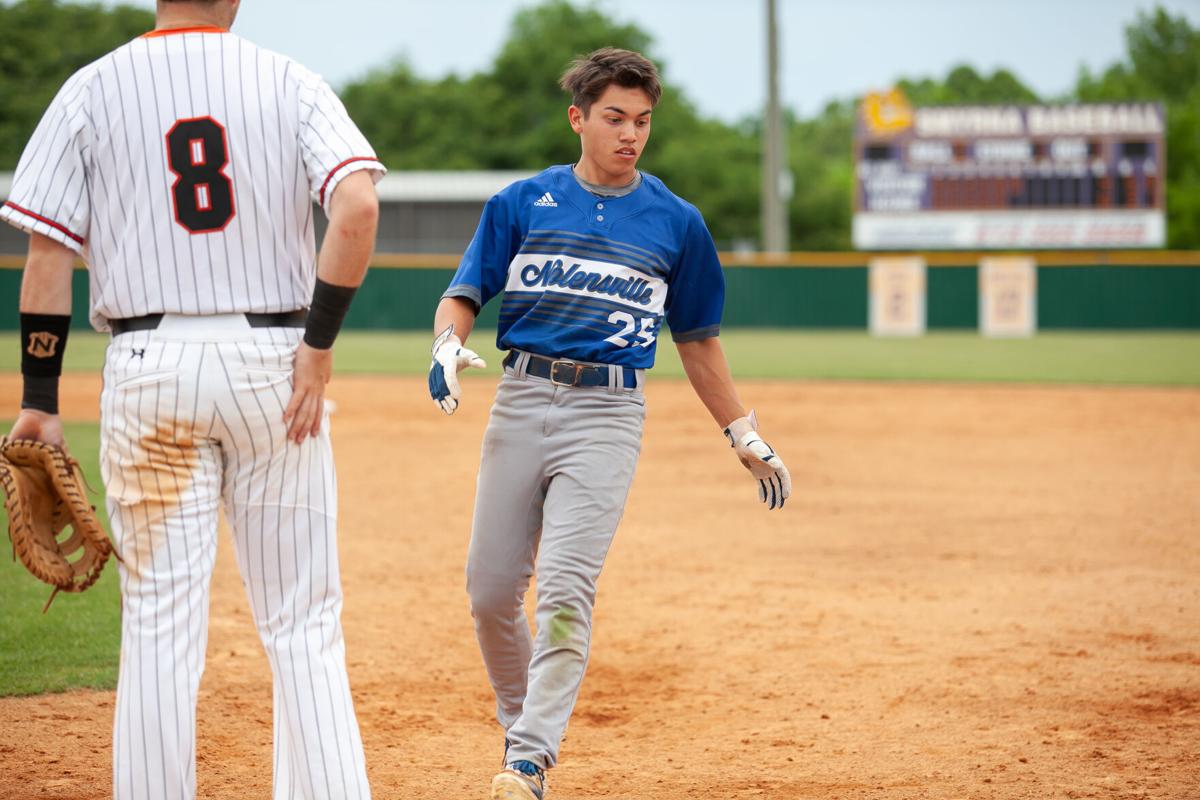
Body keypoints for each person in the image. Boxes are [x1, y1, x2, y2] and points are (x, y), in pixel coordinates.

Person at [1, 1, 384, 797]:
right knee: (301, 622)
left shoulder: (90, 89)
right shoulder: (290, 81)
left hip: (149, 364)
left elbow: (47, 253)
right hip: (276, 367)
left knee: (158, 626)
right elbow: (357, 205)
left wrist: (41, 398)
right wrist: (318, 347)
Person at [427, 47, 793, 800]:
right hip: (521, 400)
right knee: (491, 592)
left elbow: (698, 341)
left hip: (608, 412)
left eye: (643, 121)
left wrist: (742, 431)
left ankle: (527, 761)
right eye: (615, 118)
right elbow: (465, 293)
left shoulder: (677, 223)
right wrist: (445, 342)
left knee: (564, 589)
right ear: (579, 119)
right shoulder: (522, 203)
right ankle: (519, 712)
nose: (631, 134)